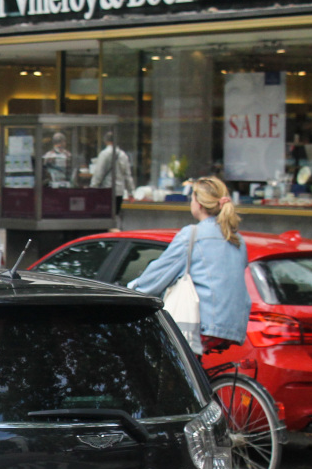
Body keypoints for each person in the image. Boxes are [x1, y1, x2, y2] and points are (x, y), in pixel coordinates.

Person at [127, 176, 249, 355]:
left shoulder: (192, 235)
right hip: (233, 324)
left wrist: (132, 289)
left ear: (198, 203)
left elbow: (159, 274)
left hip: (202, 324)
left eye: (192, 198)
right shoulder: (237, 239)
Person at [89, 131, 136, 214]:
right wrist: (131, 192)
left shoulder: (104, 154)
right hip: (119, 192)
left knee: (105, 216)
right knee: (116, 215)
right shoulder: (123, 155)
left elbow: (98, 173)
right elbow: (127, 175)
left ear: (106, 141)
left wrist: (92, 188)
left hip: (106, 191)